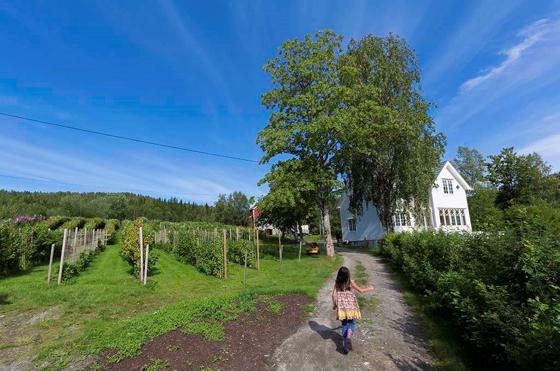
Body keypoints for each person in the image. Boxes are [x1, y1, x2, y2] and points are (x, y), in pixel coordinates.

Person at [331, 266, 374, 354]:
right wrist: (370, 288)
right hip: (351, 306)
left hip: (342, 307)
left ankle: (345, 345)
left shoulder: (337, 283)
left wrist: (335, 305)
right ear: (348, 275)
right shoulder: (350, 282)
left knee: (344, 324)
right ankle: (349, 333)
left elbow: (333, 295)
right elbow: (361, 290)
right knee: (351, 322)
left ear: (339, 275)